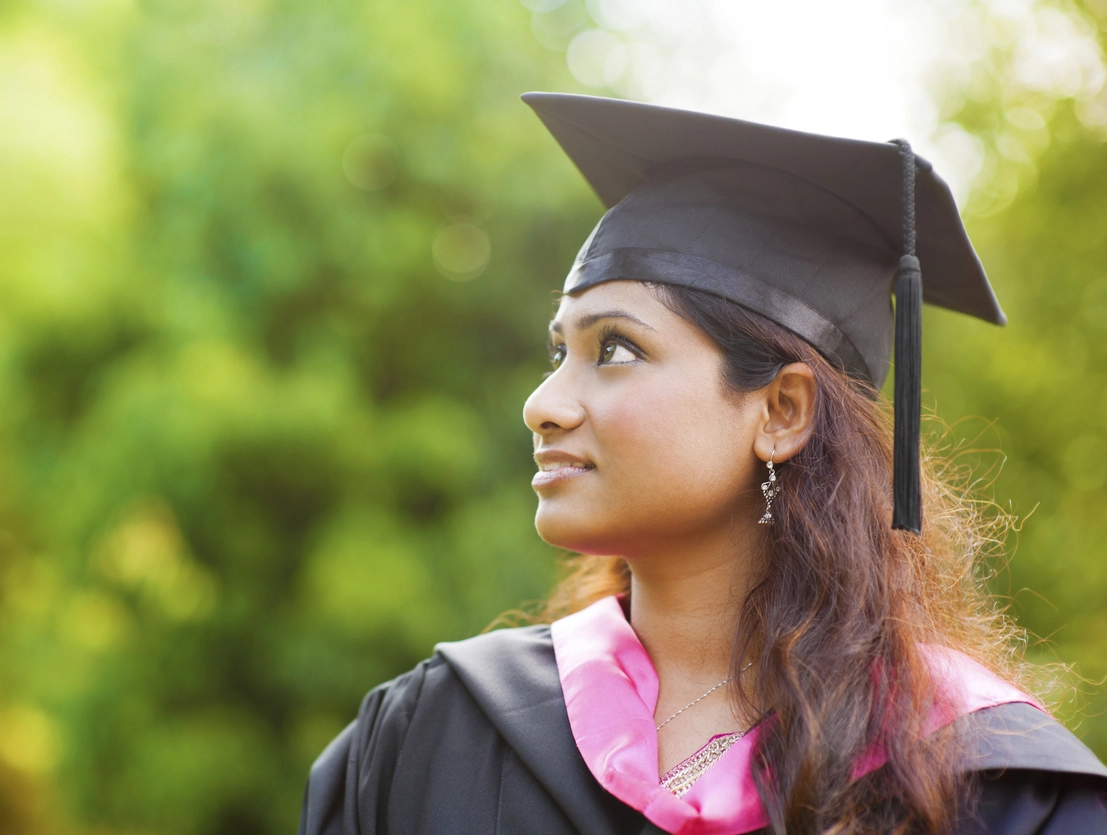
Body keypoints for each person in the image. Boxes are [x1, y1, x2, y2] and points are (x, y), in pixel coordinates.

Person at [297, 92, 1107, 835]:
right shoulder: (433, 732)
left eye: (614, 348)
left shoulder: (986, 784)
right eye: (557, 350)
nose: (541, 403)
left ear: (781, 411)